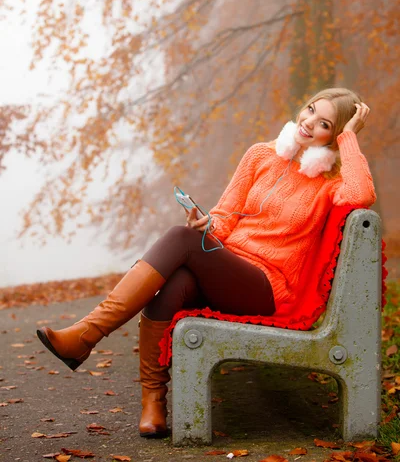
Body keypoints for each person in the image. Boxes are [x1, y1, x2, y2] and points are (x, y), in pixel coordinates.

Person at [37, 87, 376, 439]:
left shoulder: (329, 183)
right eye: (309, 110)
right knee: (176, 282)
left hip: (267, 287)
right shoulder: (261, 155)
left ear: (334, 136)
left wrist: (350, 138)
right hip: (229, 268)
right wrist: (208, 224)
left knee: (180, 241)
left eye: (323, 124)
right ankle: (153, 404)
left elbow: (361, 194)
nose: (307, 122)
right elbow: (226, 216)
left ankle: (86, 335)